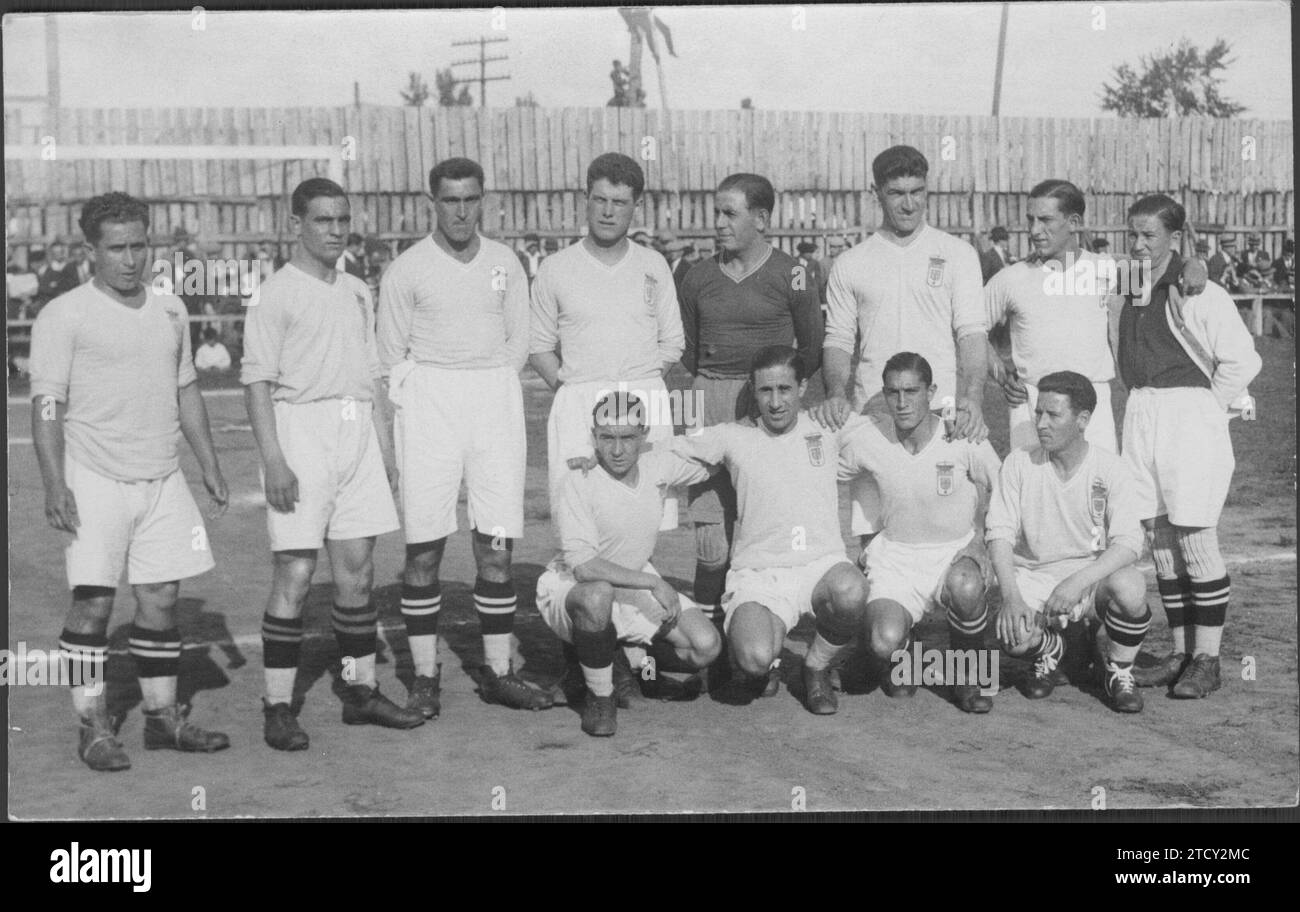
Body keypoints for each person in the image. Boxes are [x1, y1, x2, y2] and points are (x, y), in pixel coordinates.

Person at [30, 191, 230, 772]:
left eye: (139, 246)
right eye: (116, 248)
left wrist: (209, 464)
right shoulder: (64, 314)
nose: (129, 259)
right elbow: (46, 406)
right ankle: (91, 725)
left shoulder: (171, 310)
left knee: (161, 597)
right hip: (94, 476)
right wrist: (52, 483)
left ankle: (163, 718)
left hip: (161, 475)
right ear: (91, 250)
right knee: (93, 604)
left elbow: (185, 388)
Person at [242, 178, 420, 751]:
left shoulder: (357, 288)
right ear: (297, 224)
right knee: (294, 575)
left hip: (356, 435)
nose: (335, 230)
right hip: (300, 430)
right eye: (323, 220)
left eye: (342, 219)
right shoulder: (275, 293)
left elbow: (372, 375)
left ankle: (360, 693)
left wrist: (384, 450)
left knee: (358, 573)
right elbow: (257, 384)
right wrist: (274, 460)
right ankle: (276, 705)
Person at [377, 157, 552, 716]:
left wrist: (487, 380)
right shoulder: (406, 269)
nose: (460, 210)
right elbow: (388, 357)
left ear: (483, 200)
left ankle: (498, 672)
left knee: (495, 541)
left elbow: (518, 341)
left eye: (470, 198)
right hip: (428, 398)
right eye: (449, 199)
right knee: (424, 546)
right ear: (433, 202)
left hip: (492, 396)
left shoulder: (505, 263)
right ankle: (425, 675)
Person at [672, 346, 869, 715]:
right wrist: (608, 457)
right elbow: (674, 454)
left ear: (803, 387)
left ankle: (816, 667)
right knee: (754, 658)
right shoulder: (733, 436)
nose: (776, 402)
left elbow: (883, 431)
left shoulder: (826, 427)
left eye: (784, 389)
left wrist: (951, 425)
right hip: (760, 576)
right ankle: (769, 661)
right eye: (766, 391)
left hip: (819, 567)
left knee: (852, 589)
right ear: (753, 390)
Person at [1118, 195, 1262, 699]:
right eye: (1131, 234)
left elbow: (1244, 362)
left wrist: (1207, 410)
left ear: (1175, 240)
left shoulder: (1202, 291)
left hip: (1189, 415)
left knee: (1196, 538)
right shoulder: (1129, 285)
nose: (1137, 244)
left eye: (1149, 235)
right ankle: (1180, 652)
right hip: (1140, 412)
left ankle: (1208, 658)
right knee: (1160, 540)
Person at [678, 172, 824, 657]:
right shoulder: (696, 275)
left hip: (768, 403)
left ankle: (761, 635)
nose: (717, 223)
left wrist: (770, 392)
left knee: (764, 528)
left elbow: (812, 346)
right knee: (711, 539)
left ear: (761, 219)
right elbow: (689, 351)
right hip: (711, 397)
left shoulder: (796, 273)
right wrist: (715, 393)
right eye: (716, 212)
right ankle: (712, 650)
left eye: (729, 213)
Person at [819, 145, 989, 560]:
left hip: (940, 412)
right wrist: (837, 393)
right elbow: (838, 340)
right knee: (875, 537)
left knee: (949, 528)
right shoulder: (852, 262)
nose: (909, 204)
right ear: (875, 193)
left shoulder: (958, 255)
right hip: (875, 414)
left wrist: (973, 398)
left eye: (918, 191)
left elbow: (971, 334)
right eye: (897, 193)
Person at [538, 391, 722, 736]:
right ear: (594, 436)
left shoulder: (656, 464)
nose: (618, 450)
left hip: (631, 583)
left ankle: (631, 662)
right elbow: (584, 567)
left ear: (644, 435)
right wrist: (654, 583)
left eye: (627, 438)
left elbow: (714, 456)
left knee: (705, 647)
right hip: (573, 587)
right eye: (607, 438)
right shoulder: (579, 479)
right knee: (597, 597)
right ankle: (600, 697)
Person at [836, 352, 1002, 713]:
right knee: (883, 642)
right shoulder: (868, 438)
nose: (902, 402)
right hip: (897, 557)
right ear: (884, 393)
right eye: (893, 392)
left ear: (932, 392)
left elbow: (1005, 487)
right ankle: (911, 655)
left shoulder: (961, 434)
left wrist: (979, 542)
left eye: (912, 391)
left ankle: (970, 677)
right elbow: (820, 472)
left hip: (954, 552)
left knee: (966, 585)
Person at [528, 152, 684, 525]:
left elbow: (673, 341)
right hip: (580, 401)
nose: (608, 212)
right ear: (586, 199)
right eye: (600, 200)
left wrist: (637, 385)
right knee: (581, 517)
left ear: (637, 205)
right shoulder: (556, 268)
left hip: (642, 400)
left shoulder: (653, 265)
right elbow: (538, 346)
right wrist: (572, 390)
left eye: (619, 203)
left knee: (642, 515)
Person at [985, 370, 1152, 713]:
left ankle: (1118, 670)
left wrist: (1077, 582)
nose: (1042, 423)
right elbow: (998, 533)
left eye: (1054, 415)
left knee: (1130, 587)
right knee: (1013, 637)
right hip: (1036, 578)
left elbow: (1130, 542)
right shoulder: (1019, 463)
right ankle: (1049, 649)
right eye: (1038, 413)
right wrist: (1011, 597)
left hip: (1089, 580)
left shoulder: (1110, 468)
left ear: (1082, 420)